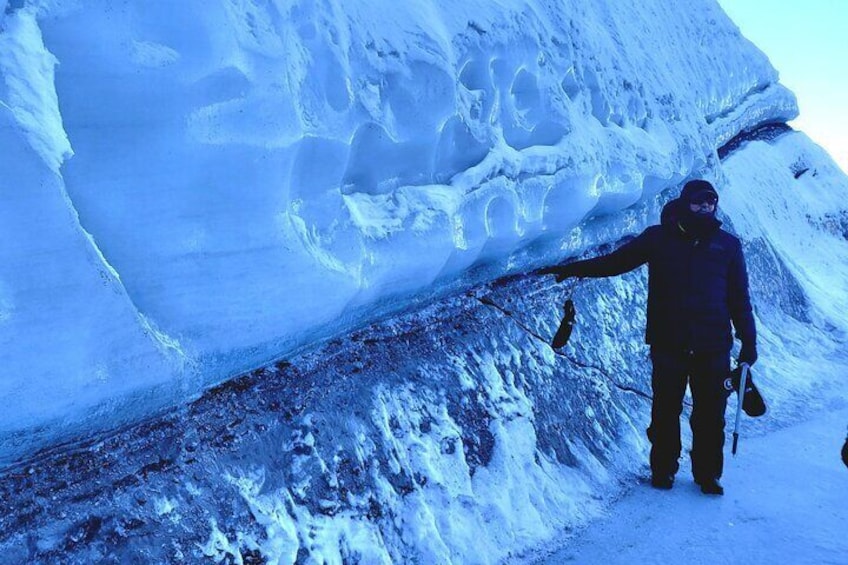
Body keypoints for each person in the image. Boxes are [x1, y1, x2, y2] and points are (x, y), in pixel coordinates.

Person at [539, 179, 757, 496]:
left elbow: (739, 299)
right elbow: (617, 262)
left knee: (710, 416)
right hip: (669, 343)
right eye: (698, 202)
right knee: (665, 410)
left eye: (710, 202)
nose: (705, 207)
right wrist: (576, 269)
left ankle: (708, 474)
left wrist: (749, 343)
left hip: (713, 346)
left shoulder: (727, 246)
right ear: (685, 204)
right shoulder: (658, 239)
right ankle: (663, 470)